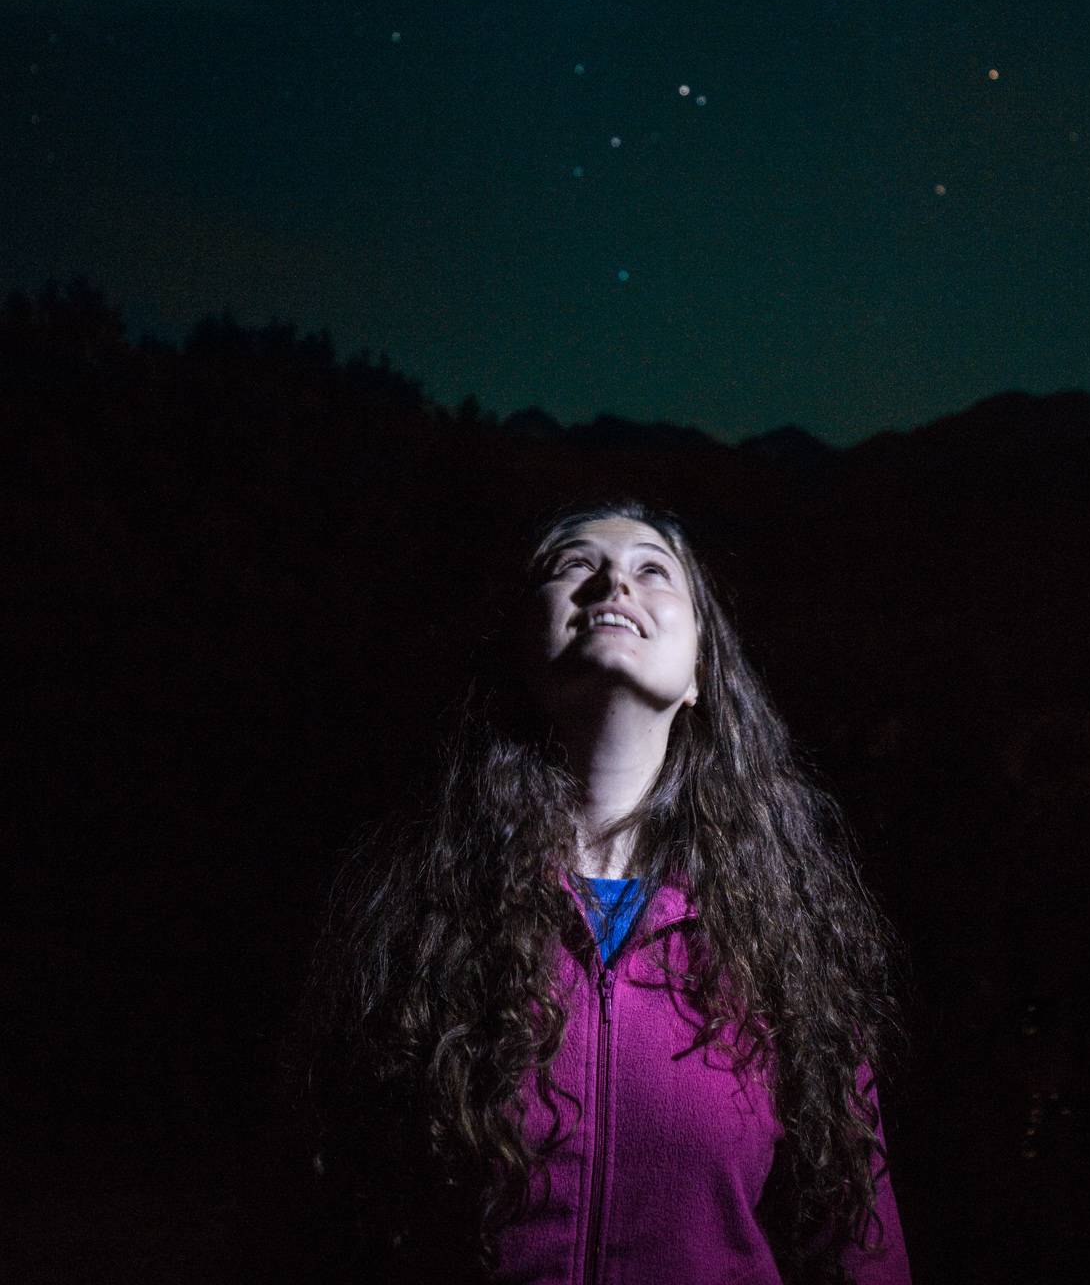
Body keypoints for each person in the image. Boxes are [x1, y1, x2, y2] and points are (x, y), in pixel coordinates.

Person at [288, 498, 914, 1283]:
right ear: (518, 647)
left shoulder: (788, 943)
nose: (614, 580)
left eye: (653, 570)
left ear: (698, 676)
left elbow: (858, 1246)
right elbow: (332, 1218)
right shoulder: (414, 919)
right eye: (573, 564)